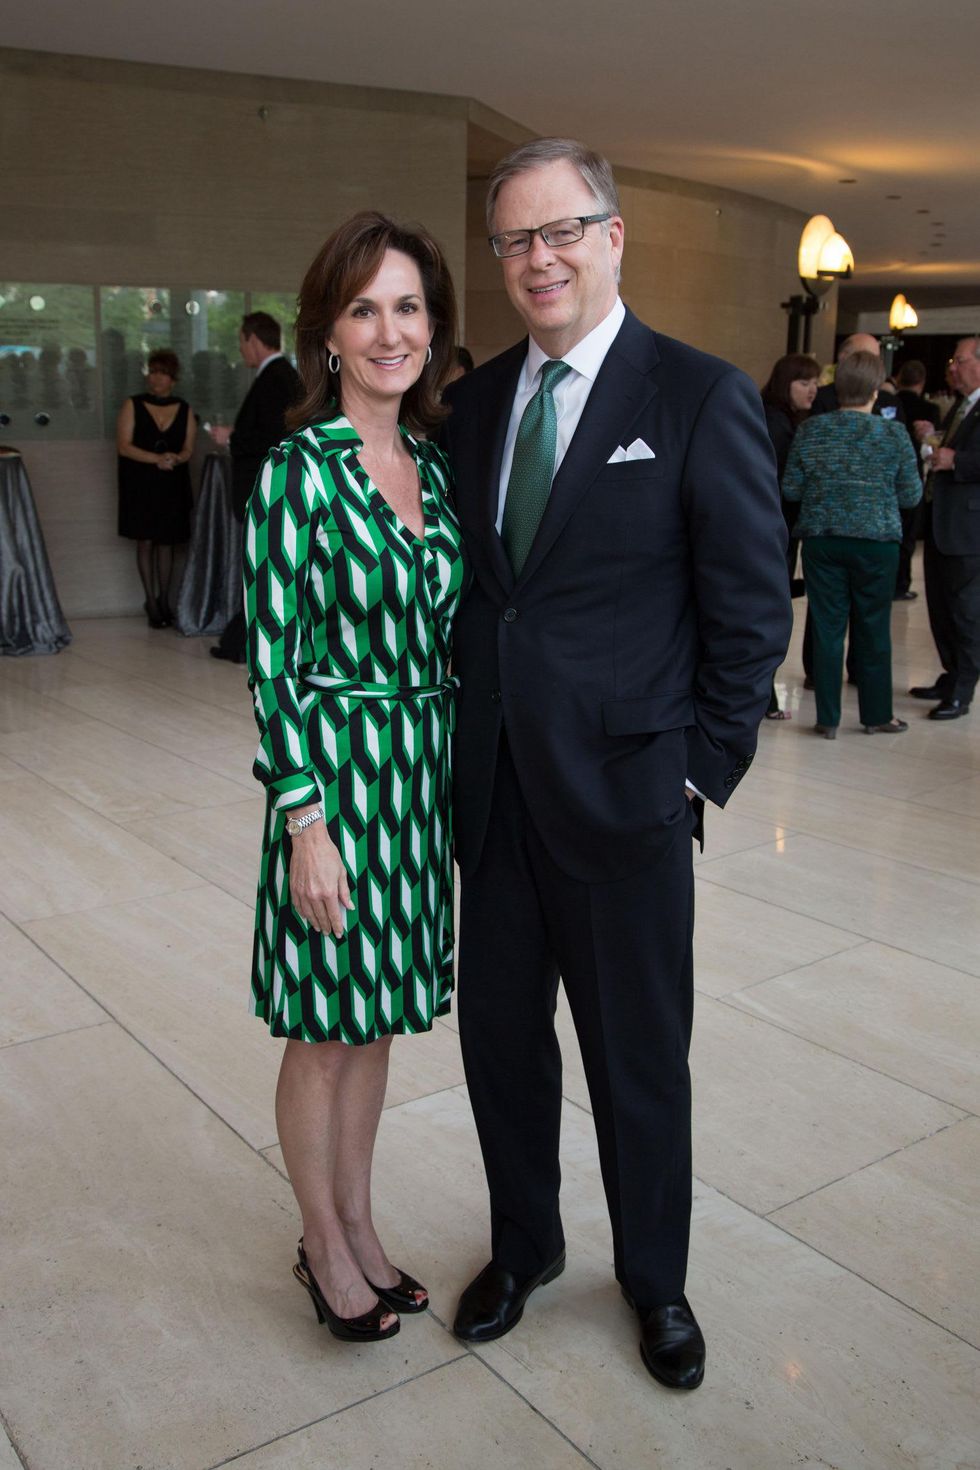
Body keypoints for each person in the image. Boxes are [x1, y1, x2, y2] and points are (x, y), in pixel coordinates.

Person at [441, 137, 791, 1391]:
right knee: (500, 1046)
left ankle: (655, 1280)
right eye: (514, 240)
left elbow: (749, 605)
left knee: (636, 1062)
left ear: (612, 236)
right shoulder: (476, 401)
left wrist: (696, 769)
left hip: (628, 801)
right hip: (493, 798)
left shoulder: (695, 395)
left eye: (560, 231)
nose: (537, 259)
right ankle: (524, 1247)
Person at [243, 212, 463, 1343]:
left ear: (434, 324)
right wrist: (304, 824)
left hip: (415, 786)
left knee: (374, 1024)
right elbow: (272, 663)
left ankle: (362, 1224)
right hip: (334, 784)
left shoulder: (434, 464)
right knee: (324, 1028)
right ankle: (320, 1242)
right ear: (327, 332)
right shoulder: (300, 470)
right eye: (364, 309)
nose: (390, 331)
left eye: (408, 307)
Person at [782, 351, 921, 737]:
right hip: (877, 543)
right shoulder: (893, 434)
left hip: (822, 541)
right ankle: (877, 715)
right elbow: (911, 495)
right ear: (876, 390)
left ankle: (827, 719)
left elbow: (791, 488)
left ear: (837, 387)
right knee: (873, 628)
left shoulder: (811, 430)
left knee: (826, 628)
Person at [211, 313, 300, 662]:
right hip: (269, 491)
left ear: (253, 340)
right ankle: (244, 639)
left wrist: (231, 438)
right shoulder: (282, 376)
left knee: (263, 569)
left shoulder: (275, 379)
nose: (240, 350)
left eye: (241, 342)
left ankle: (247, 641)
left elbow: (273, 438)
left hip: (264, 491)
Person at [909, 337, 980, 719]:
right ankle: (951, 675)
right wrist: (933, 439)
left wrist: (958, 461)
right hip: (942, 524)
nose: (953, 367)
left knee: (966, 613)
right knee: (942, 608)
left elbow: (965, 458)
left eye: (960, 360)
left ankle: (962, 690)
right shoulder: (961, 405)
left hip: (968, 530)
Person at [760, 352, 820, 717]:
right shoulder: (776, 423)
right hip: (771, 532)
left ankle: (765, 697)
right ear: (786, 385)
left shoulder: (785, 420)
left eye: (815, 383)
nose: (812, 390)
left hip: (776, 530)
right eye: (804, 382)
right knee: (767, 613)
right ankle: (764, 698)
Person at [116, 348, 195, 627]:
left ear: (173, 378)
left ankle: (164, 600)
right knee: (145, 540)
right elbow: (124, 446)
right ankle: (150, 600)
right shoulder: (133, 404)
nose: (156, 378)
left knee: (166, 541)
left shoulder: (184, 408)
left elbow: (188, 448)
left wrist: (176, 458)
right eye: (152, 372)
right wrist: (156, 459)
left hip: (171, 482)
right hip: (141, 482)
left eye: (162, 373)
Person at [893, 360, 940, 602]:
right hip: (912, 476)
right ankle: (901, 583)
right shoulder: (929, 409)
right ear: (921, 382)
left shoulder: (891, 402)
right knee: (908, 534)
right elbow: (933, 447)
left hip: (890, 477)